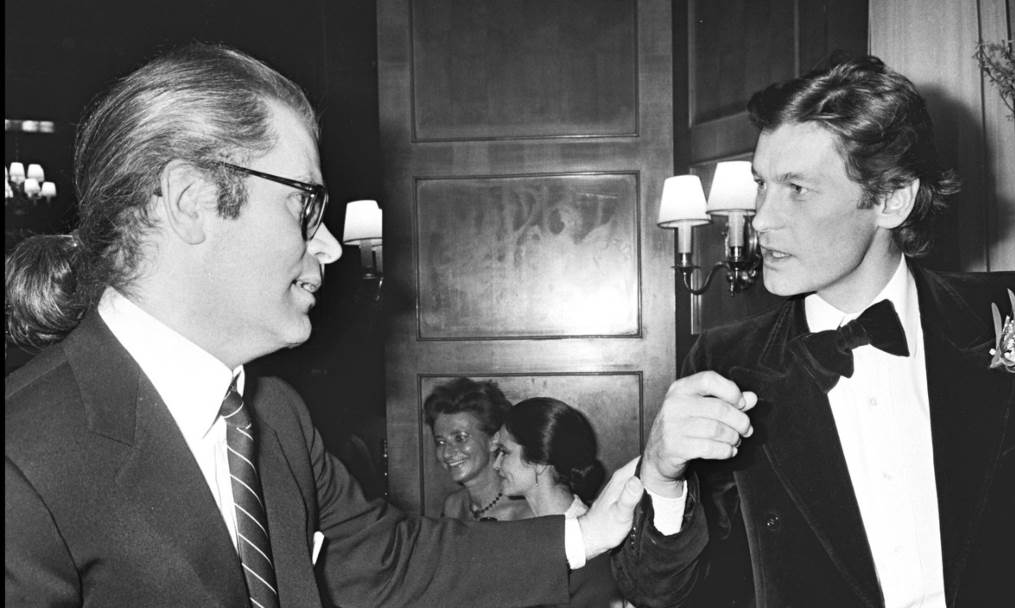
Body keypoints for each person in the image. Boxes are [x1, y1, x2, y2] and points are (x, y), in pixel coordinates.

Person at [4, 42, 644, 608]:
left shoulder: (274, 417)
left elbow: (388, 564)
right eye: (304, 205)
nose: (331, 247)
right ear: (192, 201)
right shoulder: (22, 458)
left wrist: (586, 534)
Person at [611, 55, 1015, 607]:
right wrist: (663, 477)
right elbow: (658, 592)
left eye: (797, 188)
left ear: (891, 200)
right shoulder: (725, 365)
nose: (760, 219)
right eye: (762, 184)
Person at [495, 397, 622, 608]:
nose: (496, 464)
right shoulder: (525, 526)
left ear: (538, 462)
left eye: (505, 452)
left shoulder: (588, 545)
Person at [423, 377, 532, 521]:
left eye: (460, 438)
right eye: (441, 442)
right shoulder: (452, 506)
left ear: (494, 440)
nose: (447, 453)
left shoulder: (524, 514)